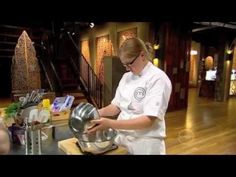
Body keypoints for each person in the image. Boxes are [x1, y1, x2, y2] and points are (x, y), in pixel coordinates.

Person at [86, 37, 172, 155]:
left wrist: (110, 123)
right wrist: (95, 113)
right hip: (122, 138)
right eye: (124, 65)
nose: (127, 68)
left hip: (145, 142)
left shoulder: (158, 78)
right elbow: (116, 106)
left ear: (142, 55)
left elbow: (148, 121)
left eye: (129, 63)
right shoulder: (126, 77)